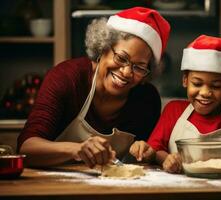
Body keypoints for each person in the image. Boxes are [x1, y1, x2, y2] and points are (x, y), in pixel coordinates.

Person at [17, 7, 170, 168]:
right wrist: (77, 149)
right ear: (103, 47)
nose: (126, 72)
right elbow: (26, 149)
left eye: (139, 67)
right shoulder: (67, 78)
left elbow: (146, 158)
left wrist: (147, 152)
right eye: (121, 58)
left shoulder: (147, 100)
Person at [130, 35, 221, 173]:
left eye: (216, 86)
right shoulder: (173, 111)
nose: (205, 93)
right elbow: (155, 150)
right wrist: (168, 159)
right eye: (197, 83)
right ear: (185, 80)